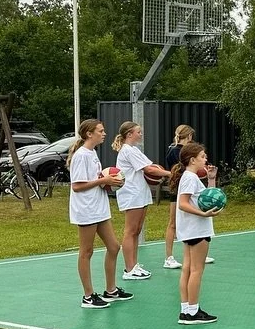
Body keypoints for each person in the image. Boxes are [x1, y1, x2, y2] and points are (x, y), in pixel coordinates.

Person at [67, 119, 131, 308]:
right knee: (86, 251)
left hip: (99, 208)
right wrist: (104, 180)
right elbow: (77, 186)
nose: (104, 134)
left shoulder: (92, 153)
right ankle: (88, 296)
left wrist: (107, 182)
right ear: (89, 134)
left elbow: (95, 180)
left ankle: (110, 290)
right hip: (86, 209)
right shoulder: (81, 156)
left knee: (114, 246)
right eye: (100, 131)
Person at [171, 141, 220, 325]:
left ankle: (186, 309)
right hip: (196, 229)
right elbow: (183, 204)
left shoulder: (189, 176)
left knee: (188, 268)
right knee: (196, 270)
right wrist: (203, 213)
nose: (205, 159)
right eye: (202, 156)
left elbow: (206, 197)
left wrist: (211, 179)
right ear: (192, 160)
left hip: (190, 230)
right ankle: (193, 311)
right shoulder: (190, 178)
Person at [114, 122, 166, 281]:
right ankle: (129, 269)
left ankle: (134, 264)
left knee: (136, 230)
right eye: (138, 132)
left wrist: (162, 172)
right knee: (130, 231)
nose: (141, 134)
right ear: (129, 134)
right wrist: (173, 174)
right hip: (131, 193)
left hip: (139, 192)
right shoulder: (128, 150)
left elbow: (150, 166)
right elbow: (149, 170)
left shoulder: (134, 150)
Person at [161, 124, 194, 270]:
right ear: (189, 136)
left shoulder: (183, 150)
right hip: (177, 189)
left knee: (192, 220)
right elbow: (179, 170)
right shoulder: (175, 151)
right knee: (173, 223)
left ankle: (196, 252)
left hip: (187, 189)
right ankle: (168, 257)